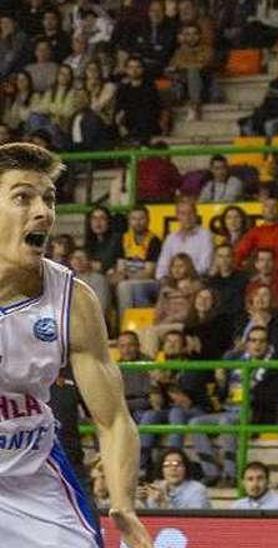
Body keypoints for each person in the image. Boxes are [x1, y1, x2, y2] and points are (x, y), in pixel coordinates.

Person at [0, 143, 151, 547]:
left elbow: (114, 418)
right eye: (22, 197)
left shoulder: (71, 299)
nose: (43, 212)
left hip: (32, 481)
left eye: (48, 199)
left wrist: (123, 503)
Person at [234, 190, 278, 276]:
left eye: (274, 207)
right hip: (258, 274)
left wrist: (266, 268)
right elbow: (240, 252)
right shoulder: (255, 231)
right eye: (267, 206)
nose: (270, 210)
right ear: (262, 211)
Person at [111, 204, 162, 312]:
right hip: (128, 279)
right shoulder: (124, 238)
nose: (138, 222)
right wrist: (120, 276)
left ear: (148, 220)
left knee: (124, 287)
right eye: (134, 219)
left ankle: (125, 324)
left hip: (149, 282)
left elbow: (149, 273)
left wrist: (126, 277)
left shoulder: (154, 240)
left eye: (141, 218)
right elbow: (121, 268)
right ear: (129, 221)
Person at [156, 197, 214, 279]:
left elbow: (204, 266)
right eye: (183, 214)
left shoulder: (205, 235)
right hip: (172, 281)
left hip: (195, 280)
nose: (187, 217)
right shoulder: (171, 238)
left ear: (196, 215)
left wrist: (182, 277)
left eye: (190, 213)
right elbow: (162, 266)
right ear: (177, 216)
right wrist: (164, 279)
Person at [139, 449, 209, 510]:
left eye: (178, 465)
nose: (173, 469)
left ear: (186, 468)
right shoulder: (157, 486)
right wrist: (144, 502)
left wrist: (163, 504)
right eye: (167, 465)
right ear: (162, 470)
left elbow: (192, 520)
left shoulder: (197, 490)